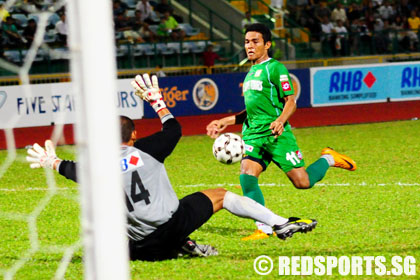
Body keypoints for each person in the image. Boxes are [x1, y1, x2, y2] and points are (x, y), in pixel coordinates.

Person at [26, 73, 317, 261]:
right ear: (135, 135)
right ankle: (278, 223)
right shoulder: (148, 149)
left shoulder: (97, 165)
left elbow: (71, 169)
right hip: (171, 230)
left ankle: (188, 246)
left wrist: (51, 161)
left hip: (138, 251)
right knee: (219, 196)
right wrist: (157, 102)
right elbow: (174, 129)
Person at [206, 23, 356, 241]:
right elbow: (251, 111)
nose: (250, 46)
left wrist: (281, 120)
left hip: (277, 136)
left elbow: (291, 101)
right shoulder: (250, 73)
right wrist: (224, 121)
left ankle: (329, 158)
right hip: (253, 136)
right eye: (247, 42)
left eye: (255, 42)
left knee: (302, 182)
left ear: (267, 44)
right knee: (247, 175)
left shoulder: (275, 69)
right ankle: (264, 227)